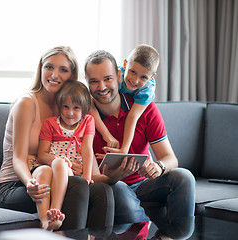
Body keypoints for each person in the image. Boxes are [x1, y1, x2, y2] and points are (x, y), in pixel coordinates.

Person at [0, 46, 114, 231]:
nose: (54, 74)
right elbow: (18, 159)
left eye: (63, 70)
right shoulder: (27, 103)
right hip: (16, 185)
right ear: (40, 69)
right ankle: (55, 228)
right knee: (77, 186)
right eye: (49, 67)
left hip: (55, 177)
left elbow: (87, 119)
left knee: (102, 191)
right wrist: (30, 184)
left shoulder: (66, 108)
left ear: (72, 75)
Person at [84, 50, 195, 240]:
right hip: (110, 187)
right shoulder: (83, 117)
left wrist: (158, 167)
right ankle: (149, 219)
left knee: (183, 177)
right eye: (93, 81)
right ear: (86, 82)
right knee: (117, 188)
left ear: (119, 75)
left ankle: (167, 233)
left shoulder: (145, 107)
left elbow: (170, 159)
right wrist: (114, 176)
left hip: (143, 185)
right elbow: (89, 176)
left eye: (107, 79)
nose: (101, 87)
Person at [37, 80, 94, 230]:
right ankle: (46, 220)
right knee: (53, 166)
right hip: (52, 167)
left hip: (71, 172)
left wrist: (87, 177)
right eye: (66, 107)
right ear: (59, 106)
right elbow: (41, 155)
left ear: (84, 109)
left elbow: (87, 148)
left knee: (61, 164)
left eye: (76, 108)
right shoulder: (51, 123)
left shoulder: (88, 121)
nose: (70, 113)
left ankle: (54, 212)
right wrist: (59, 160)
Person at [89, 44, 158, 153]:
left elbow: (132, 117)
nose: (135, 80)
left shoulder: (147, 90)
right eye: (133, 72)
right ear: (125, 64)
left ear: (151, 76)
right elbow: (89, 100)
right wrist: (106, 135)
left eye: (143, 77)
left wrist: (124, 149)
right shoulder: (117, 76)